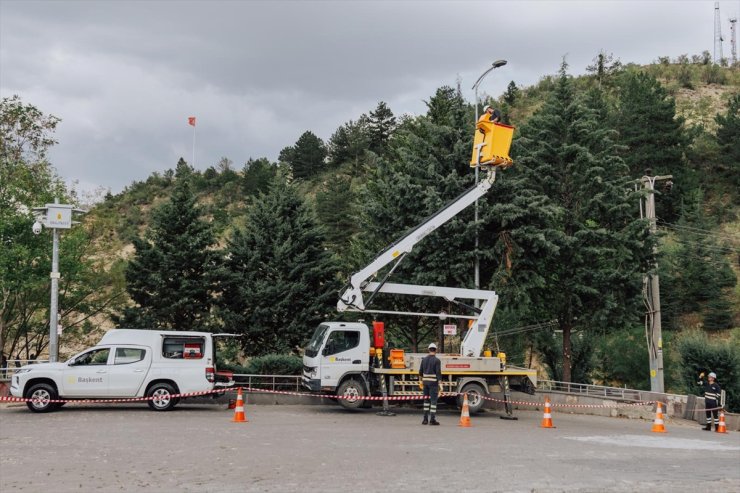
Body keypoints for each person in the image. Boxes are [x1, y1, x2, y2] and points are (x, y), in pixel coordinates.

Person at [419, 342, 442, 425]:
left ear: (428, 350)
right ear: (435, 350)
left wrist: (421, 382)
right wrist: (440, 385)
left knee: (426, 401)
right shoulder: (437, 360)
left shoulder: (424, 360)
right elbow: (438, 373)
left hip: (425, 383)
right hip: (433, 384)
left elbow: (420, 372)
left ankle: (425, 420)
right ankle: (432, 420)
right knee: (433, 402)